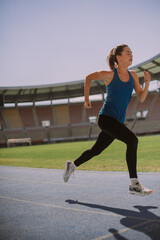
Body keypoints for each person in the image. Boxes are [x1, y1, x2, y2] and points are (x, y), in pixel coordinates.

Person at [63, 44, 153, 196]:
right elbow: (88, 78)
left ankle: (72, 165)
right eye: (127, 53)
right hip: (106, 119)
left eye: (132, 53)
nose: (131, 55)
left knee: (95, 150)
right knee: (132, 140)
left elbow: (142, 98)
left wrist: (148, 83)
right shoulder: (109, 74)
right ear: (118, 57)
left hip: (117, 122)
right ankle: (134, 184)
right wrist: (86, 99)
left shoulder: (133, 76)